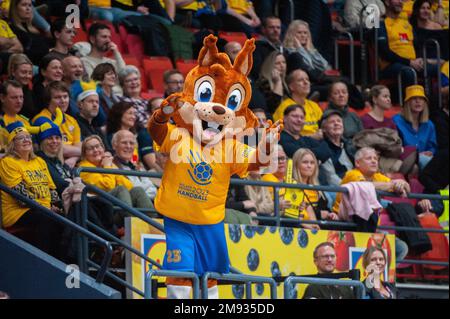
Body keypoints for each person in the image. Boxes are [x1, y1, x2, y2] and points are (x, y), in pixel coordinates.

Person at [0, 121, 62, 257]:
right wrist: (46, 207)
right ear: (12, 143)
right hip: (18, 213)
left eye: (28, 137)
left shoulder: (39, 161)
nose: (26, 140)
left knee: (65, 218)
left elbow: (52, 189)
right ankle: (45, 261)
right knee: (46, 219)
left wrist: (56, 205)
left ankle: (63, 262)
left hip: (43, 208)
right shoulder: (7, 162)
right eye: (21, 138)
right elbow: (21, 197)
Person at [79, 135, 153, 226]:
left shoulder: (106, 163)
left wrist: (109, 166)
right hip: (101, 213)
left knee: (138, 191)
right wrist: (107, 167)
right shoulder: (84, 169)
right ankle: (133, 226)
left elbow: (129, 186)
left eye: (98, 146)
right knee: (120, 190)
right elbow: (107, 187)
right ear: (84, 153)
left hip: (115, 208)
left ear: (103, 149)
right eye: (90, 148)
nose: (95, 150)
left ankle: (154, 225)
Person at [379, 0, 440, 90]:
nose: (400, 2)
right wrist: (409, 62)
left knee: (435, 69)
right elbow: (385, 52)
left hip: (411, 62)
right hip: (391, 65)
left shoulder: (407, 23)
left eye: (401, 0)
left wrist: (420, 59)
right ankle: (409, 102)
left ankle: (432, 102)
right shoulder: (380, 23)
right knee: (409, 72)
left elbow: (417, 46)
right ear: (387, 2)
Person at [32, 81, 82, 168]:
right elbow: (57, 147)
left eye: (65, 97)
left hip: (71, 164)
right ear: (48, 101)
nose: (63, 101)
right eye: (57, 97)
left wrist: (74, 158)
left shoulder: (72, 120)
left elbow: (78, 146)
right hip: (50, 165)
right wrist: (86, 152)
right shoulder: (41, 120)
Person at [393, 85, 437, 169]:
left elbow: (432, 146)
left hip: (426, 159)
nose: (418, 101)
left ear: (424, 103)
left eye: (421, 98)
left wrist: (430, 152)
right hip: (404, 159)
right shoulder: (397, 121)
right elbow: (395, 147)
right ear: (407, 102)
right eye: (414, 98)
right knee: (426, 161)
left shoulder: (429, 124)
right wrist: (416, 155)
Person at [292, 148, 336, 229]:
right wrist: (320, 214)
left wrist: (330, 214)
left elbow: (324, 209)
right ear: (296, 164)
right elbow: (294, 214)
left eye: (312, 163)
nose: (309, 166)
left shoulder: (317, 187)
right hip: (303, 227)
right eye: (305, 162)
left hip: (320, 227)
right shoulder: (291, 185)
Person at [106, 101, 157, 171]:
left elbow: (135, 157)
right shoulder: (111, 137)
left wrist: (136, 164)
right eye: (130, 113)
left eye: (134, 114)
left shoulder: (135, 136)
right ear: (119, 114)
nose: (133, 117)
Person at [273, 69, 323, 138]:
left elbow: (323, 127)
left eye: (307, 79)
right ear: (291, 86)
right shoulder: (284, 106)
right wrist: (311, 137)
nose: (306, 82)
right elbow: (281, 133)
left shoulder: (314, 106)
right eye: (300, 80)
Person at [112, 130, 157, 201]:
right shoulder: (110, 165)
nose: (128, 146)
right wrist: (143, 192)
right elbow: (133, 190)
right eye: (124, 143)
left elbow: (153, 190)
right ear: (114, 145)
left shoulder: (137, 164)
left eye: (131, 143)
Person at [80, 22, 126, 94]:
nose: (108, 40)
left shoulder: (111, 62)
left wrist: (117, 53)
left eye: (109, 37)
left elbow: (124, 76)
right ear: (92, 39)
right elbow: (93, 84)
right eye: (104, 37)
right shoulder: (84, 61)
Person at [8, 0, 50, 65]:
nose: (28, 8)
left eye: (30, 5)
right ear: (15, 9)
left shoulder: (35, 30)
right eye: (24, 5)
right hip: (29, 67)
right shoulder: (12, 28)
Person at [320, 109, 355, 186]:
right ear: (324, 129)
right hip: (340, 189)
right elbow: (330, 177)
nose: (336, 123)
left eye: (339, 121)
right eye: (332, 122)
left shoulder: (350, 144)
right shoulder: (322, 148)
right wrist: (351, 188)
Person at [74, 81, 111, 150]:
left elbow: (108, 150)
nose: (95, 105)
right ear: (80, 104)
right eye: (91, 101)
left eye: (97, 102)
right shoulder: (74, 123)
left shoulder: (96, 127)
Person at [0, 80, 29, 151]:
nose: (19, 101)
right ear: (2, 98)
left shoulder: (26, 120)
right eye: (14, 97)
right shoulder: (1, 121)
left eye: (21, 97)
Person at [6, 53, 35, 119]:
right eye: (23, 72)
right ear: (13, 71)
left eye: (30, 73)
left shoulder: (31, 90)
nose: (27, 76)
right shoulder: (4, 90)